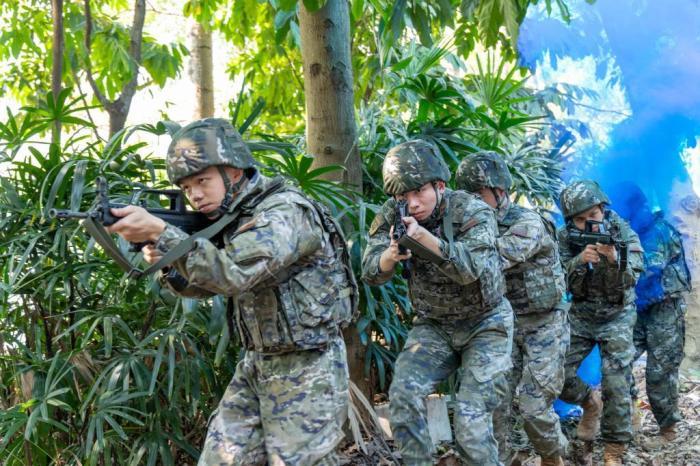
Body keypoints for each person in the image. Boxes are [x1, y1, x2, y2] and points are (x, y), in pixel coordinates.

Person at [105, 118, 356, 465]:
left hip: (308, 364)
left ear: (234, 171)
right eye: (186, 187)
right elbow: (206, 285)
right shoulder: (233, 217)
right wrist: (169, 263)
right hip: (257, 361)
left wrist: (164, 234)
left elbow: (233, 273)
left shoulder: (284, 211)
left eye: (202, 181)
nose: (194, 194)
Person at [361, 140, 513, 466]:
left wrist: (422, 239)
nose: (412, 203)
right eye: (403, 196)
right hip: (434, 325)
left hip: (486, 323)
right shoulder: (392, 214)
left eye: (419, 192)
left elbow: (470, 270)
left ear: (440, 186)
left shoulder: (472, 211)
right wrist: (390, 255)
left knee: (471, 422)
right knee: (402, 399)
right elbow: (370, 272)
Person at [455, 152, 569, 466]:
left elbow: (487, 261)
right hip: (502, 323)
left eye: (478, 195)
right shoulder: (470, 226)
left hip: (544, 323)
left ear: (500, 191)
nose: (471, 203)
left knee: (533, 406)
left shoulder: (527, 223)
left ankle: (552, 457)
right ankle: (504, 459)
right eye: (466, 196)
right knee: (495, 403)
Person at [556, 180, 644, 466]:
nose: (589, 224)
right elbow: (555, 279)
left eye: (593, 215)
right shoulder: (564, 237)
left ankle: (613, 451)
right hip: (581, 314)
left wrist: (614, 259)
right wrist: (579, 261)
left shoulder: (621, 231)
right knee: (555, 372)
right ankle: (590, 403)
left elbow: (633, 277)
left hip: (617, 314)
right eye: (581, 219)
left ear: (603, 209)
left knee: (616, 383)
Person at [610, 182, 691, 442]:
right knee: (617, 362)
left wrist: (612, 261)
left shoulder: (658, 231)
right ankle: (630, 414)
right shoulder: (628, 232)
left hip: (664, 311)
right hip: (638, 308)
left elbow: (649, 269)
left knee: (659, 373)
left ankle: (668, 430)